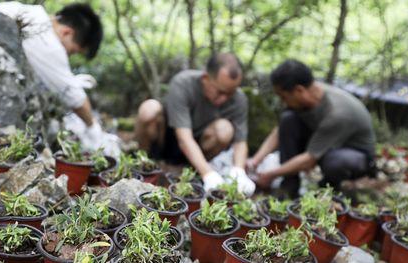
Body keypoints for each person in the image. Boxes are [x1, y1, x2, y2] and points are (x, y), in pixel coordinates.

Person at [0, 2, 113, 152]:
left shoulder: (32, 13)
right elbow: (76, 99)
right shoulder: (47, 42)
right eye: (72, 51)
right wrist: (93, 128)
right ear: (67, 32)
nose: (68, 55)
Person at [248, 59, 376, 198]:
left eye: (283, 97)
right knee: (288, 119)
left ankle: (330, 190)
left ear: (299, 90)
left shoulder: (337, 113)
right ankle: (290, 185)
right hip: (322, 142)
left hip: (355, 156)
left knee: (334, 162)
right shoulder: (303, 96)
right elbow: (279, 132)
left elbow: (309, 160)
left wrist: (271, 175)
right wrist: (255, 161)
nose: (282, 101)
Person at [135, 53, 255, 195]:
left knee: (225, 130)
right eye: (221, 92)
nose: (225, 99)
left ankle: (187, 171)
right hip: (167, 140)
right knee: (148, 109)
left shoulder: (239, 99)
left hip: (196, 152)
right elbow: (184, 139)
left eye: (231, 93)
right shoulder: (183, 83)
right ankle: (144, 163)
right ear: (205, 79)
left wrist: (239, 172)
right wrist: (209, 174)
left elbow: (240, 142)